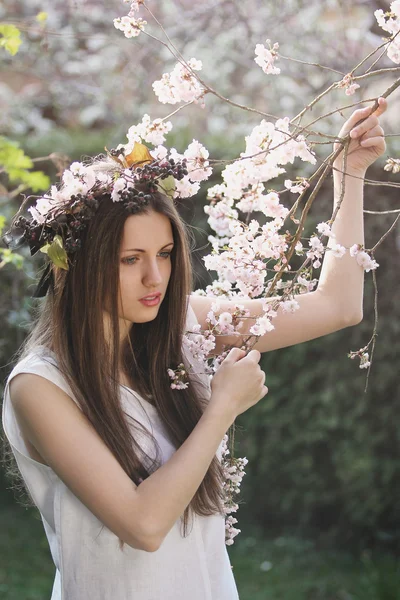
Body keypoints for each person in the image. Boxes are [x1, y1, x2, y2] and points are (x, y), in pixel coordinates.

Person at [1, 98, 387, 600]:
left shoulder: (179, 324)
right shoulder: (41, 386)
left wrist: (348, 173)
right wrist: (223, 405)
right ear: (77, 266)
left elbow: (338, 306)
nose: (155, 278)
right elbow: (143, 525)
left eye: (164, 254)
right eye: (129, 259)